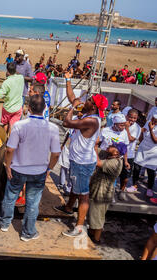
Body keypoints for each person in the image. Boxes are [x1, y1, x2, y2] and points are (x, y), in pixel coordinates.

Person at [0, 95, 60, 241]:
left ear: (29, 108)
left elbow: (9, 150)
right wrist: (48, 169)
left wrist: (8, 166)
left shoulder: (20, 126)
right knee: (33, 203)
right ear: (45, 108)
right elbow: (56, 154)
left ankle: (5, 223)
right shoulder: (53, 128)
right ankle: (27, 233)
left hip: (18, 169)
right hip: (39, 172)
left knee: (10, 197)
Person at [54, 68, 107, 237]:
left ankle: (79, 227)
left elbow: (67, 122)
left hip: (83, 163)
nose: (87, 100)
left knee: (83, 195)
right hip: (79, 160)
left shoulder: (91, 121)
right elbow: (72, 98)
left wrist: (73, 107)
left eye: (90, 100)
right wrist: (68, 80)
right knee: (76, 187)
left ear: (94, 106)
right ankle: (69, 208)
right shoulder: (88, 114)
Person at [87, 143, 125, 244]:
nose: (110, 145)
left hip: (102, 194)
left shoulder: (116, 163)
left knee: (98, 218)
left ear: (116, 152)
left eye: (113, 145)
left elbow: (97, 162)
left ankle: (96, 240)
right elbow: (94, 148)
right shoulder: (107, 154)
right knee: (92, 214)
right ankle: (90, 234)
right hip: (97, 189)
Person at [133, 114, 157, 199]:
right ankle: (134, 185)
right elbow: (142, 132)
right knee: (136, 167)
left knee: (151, 171)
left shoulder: (152, 126)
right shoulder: (148, 122)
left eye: (155, 120)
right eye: (153, 119)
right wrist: (141, 142)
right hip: (142, 148)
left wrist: (151, 129)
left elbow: (155, 141)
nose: (153, 121)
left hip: (153, 152)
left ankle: (149, 189)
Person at [0, 62, 24, 136]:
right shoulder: (21, 78)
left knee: (5, 124)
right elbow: (17, 74)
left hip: (8, 108)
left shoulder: (6, 82)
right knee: (12, 125)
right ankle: (11, 142)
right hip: (18, 107)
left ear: (7, 71)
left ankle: (4, 140)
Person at [120, 109, 141, 194]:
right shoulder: (121, 123)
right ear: (127, 116)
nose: (132, 119)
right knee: (114, 174)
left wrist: (127, 128)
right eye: (130, 117)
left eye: (134, 118)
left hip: (129, 155)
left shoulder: (137, 127)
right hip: (118, 153)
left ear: (137, 118)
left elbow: (130, 139)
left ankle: (122, 191)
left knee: (125, 176)